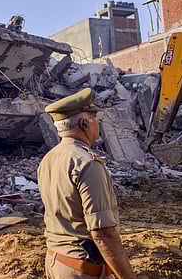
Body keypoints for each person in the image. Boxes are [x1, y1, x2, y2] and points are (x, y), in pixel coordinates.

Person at [38, 88, 136, 279]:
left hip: (56, 262)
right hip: (82, 269)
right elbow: (103, 233)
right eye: (95, 118)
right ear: (84, 123)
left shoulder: (48, 159)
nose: (97, 124)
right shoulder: (87, 163)